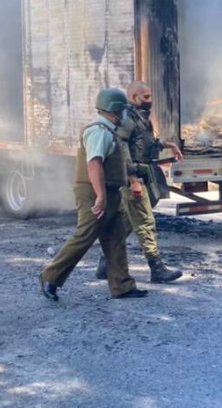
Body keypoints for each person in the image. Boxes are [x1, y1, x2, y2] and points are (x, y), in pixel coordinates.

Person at [40, 88, 148, 301]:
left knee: (116, 238)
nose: (126, 114)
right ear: (115, 110)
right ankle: (49, 277)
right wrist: (100, 196)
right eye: (123, 110)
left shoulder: (109, 130)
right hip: (94, 191)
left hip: (109, 191)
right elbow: (94, 163)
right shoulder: (98, 131)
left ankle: (122, 286)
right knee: (85, 236)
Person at [96, 81, 184, 284]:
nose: (150, 100)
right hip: (134, 178)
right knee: (145, 222)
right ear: (133, 98)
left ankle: (105, 263)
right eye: (145, 97)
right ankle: (157, 268)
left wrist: (167, 144)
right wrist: (133, 179)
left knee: (126, 222)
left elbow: (143, 143)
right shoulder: (127, 120)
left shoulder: (140, 118)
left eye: (150, 96)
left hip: (143, 174)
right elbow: (122, 149)